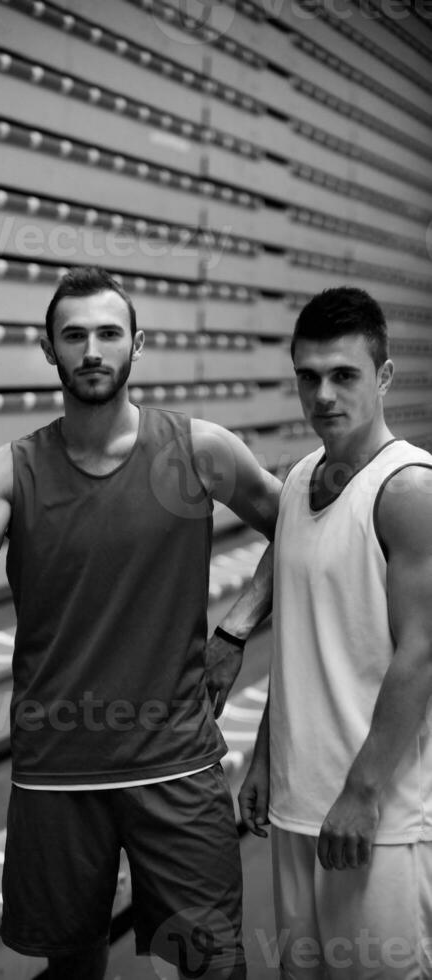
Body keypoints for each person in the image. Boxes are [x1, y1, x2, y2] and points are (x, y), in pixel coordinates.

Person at [0, 266, 281, 980]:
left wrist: (235, 630)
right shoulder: (12, 471)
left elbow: (298, 532)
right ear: (48, 350)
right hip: (57, 771)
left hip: (175, 764)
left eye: (109, 333)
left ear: (139, 343)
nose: (93, 350)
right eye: (73, 335)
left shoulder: (201, 450)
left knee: (211, 964)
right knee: (71, 970)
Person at [237, 287, 432, 979]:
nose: (323, 394)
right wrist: (264, 756)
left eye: (344, 374)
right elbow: (303, 641)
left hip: (376, 817)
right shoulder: (295, 482)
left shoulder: (408, 489)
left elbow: (422, 654)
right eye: (308, 376)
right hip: (298, 805)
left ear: (383, 377)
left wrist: (363, 792)